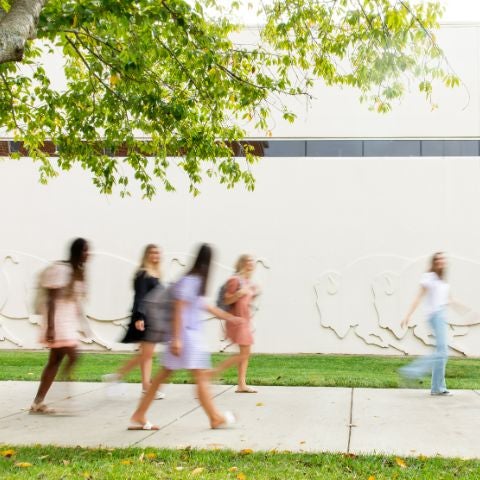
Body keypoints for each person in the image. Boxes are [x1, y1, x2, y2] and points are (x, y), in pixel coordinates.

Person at [129, 243, 241, 430]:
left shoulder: (193, 281)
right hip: (186, 336)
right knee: (198, 376)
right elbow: (179, 309)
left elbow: (206, 306)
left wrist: (230, 317)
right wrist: (178, 339)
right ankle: (214, 417)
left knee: (165, 377)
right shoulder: (192, 281)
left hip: (187, 336)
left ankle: (139, 414)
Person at [30, 238, 89, 413]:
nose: (88, 254)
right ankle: (61, 396)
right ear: (77, 251)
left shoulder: (78, 272)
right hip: (58, 320)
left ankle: (38, 403)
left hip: (68, 319)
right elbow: (51, 298)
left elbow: (76, 302)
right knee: (73, 355)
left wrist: (84, 325)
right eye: (85, 250)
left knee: (54, 361)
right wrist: (50, 327)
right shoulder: (61, 270)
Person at [103, 244, 166, 399]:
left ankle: (141, 385)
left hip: (152, 318)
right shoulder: (143, 274)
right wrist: (139, 317)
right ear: (146, 255)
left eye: (157, 252)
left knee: (146, 355)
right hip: (144, 318)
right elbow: (140, 297)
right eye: (152, 252)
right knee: (146, 354)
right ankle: (122, 378)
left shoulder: (156, 273)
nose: (155, 255)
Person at [400, 252, 455, 396]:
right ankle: (411, 371)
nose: (441, 262)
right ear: (434, 262)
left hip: (441, 315)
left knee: (442, 354)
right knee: (442, 352)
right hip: (435, 315)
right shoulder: (429, 277)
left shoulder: (442, 280)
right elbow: (419, 297)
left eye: (443, 259)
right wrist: (408, 315)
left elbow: (448, 300)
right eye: (438, 260)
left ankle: (438, 387)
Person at [210, 254, 259, 393]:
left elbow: (245, 302)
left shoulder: (249, 282)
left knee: (245, 353)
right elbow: (226, 300)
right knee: (244, 353)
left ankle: (241, 384)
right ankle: (213, 373)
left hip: (245, 320)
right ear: (242, 263)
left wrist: (252, 294)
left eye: (252, 261)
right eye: (248, 261)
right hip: (236, 321)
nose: (251, 263)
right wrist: (239, 294)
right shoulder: (234, 279)